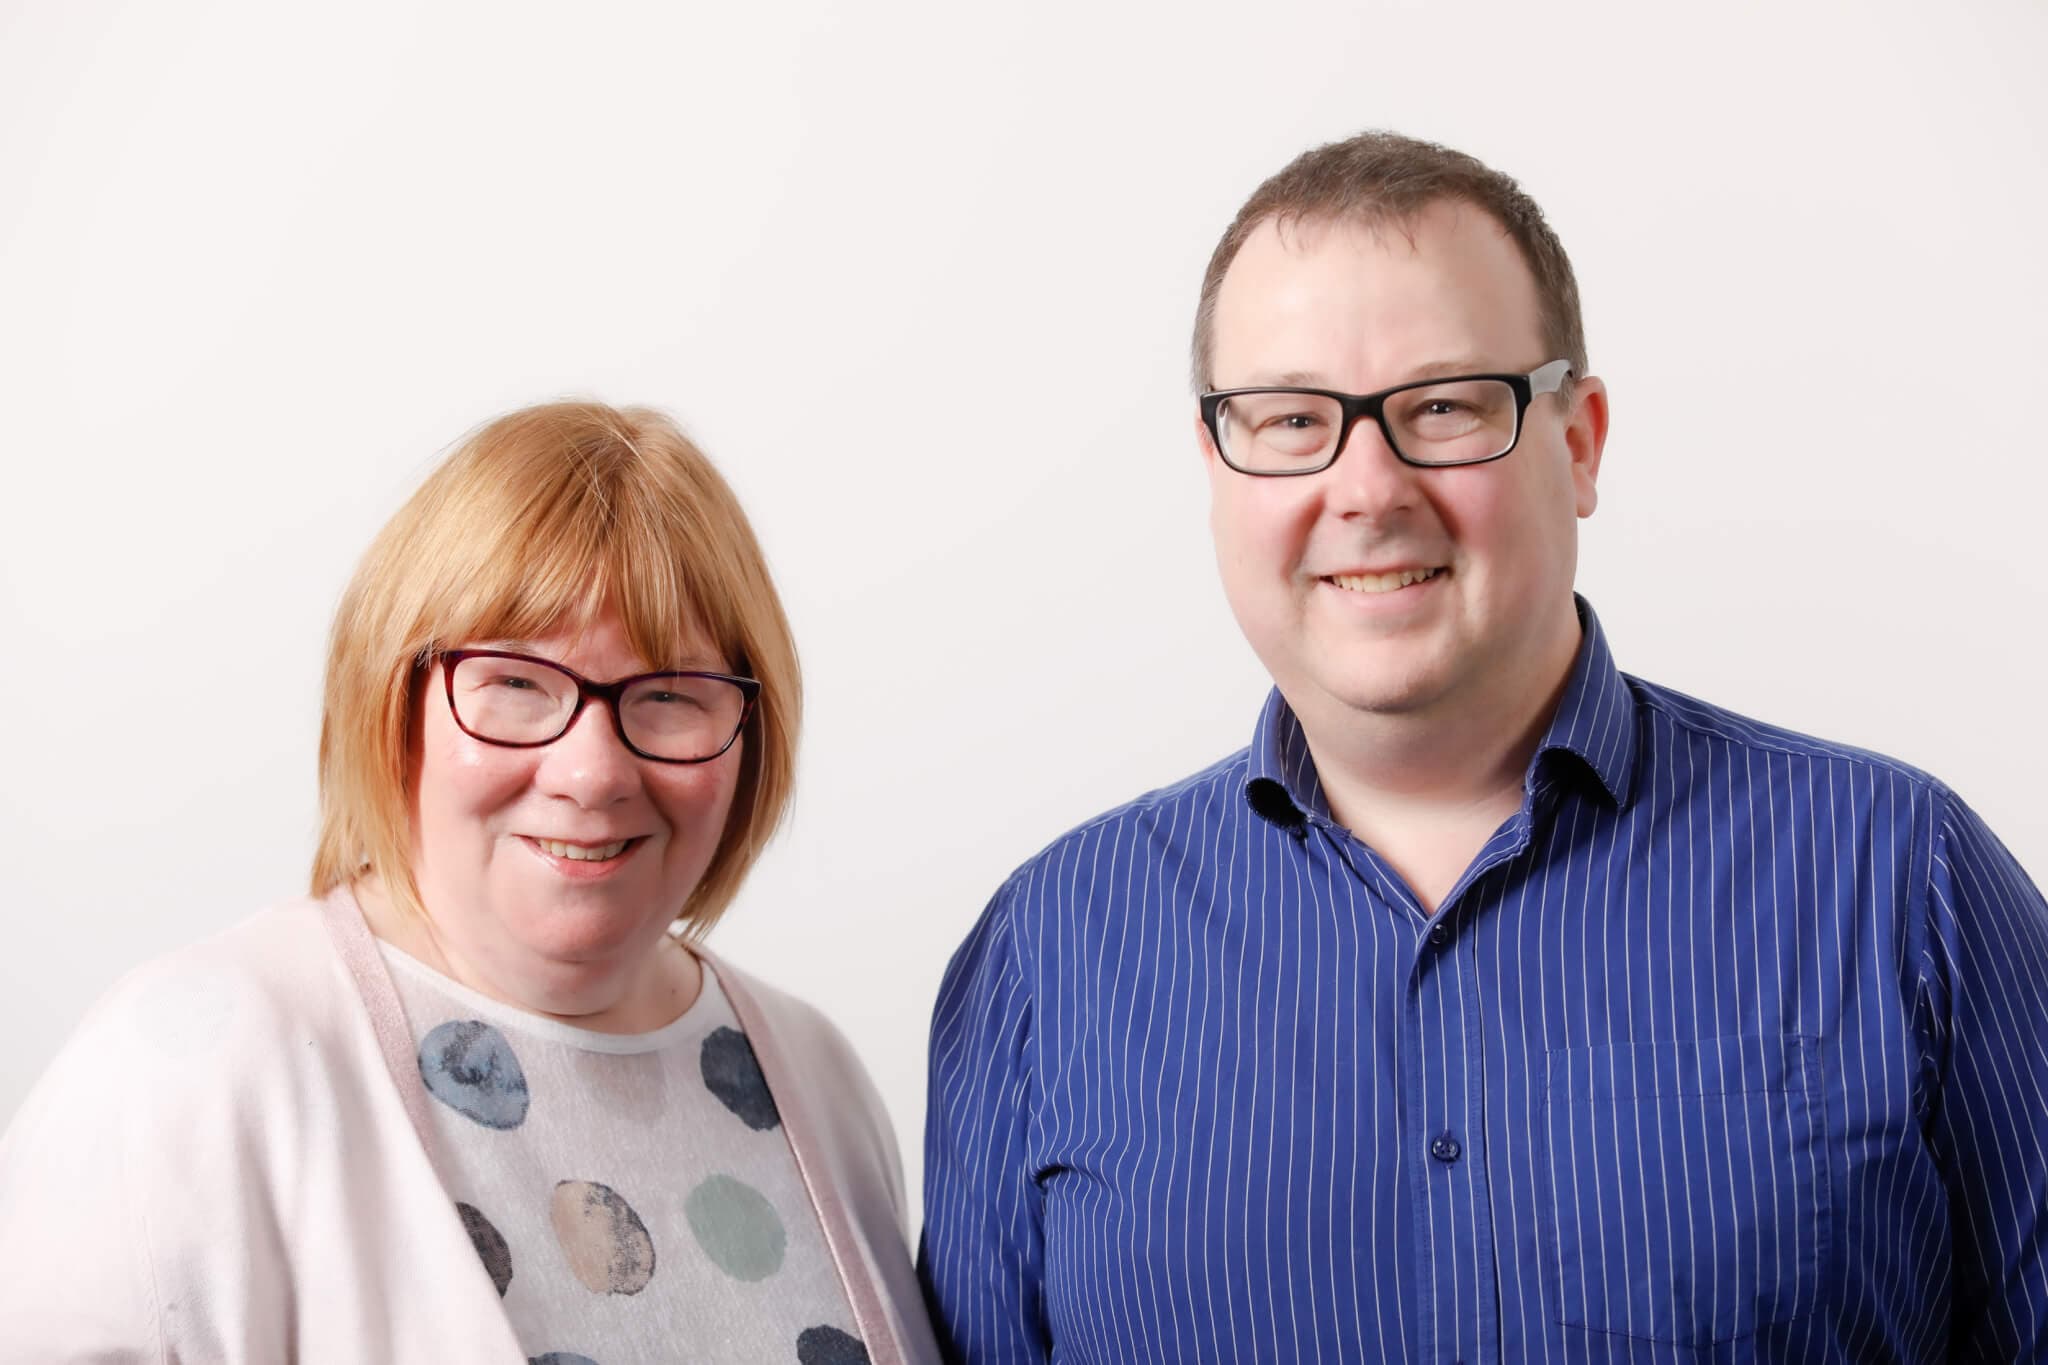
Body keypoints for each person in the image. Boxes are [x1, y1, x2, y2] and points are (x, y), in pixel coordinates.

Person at [919, 131, 2048, 1362]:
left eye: (1443, 407)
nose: (1366, 486)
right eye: (1291, 419)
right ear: (1215, 466)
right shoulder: (1043, 957)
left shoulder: (1900, 882)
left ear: (1578, 442)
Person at [0, 402, 940, 1364]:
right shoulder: (193, 1066)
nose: (592, 772)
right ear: (391, 700)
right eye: (519, 682)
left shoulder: (813, 1076)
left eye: (667, 695)